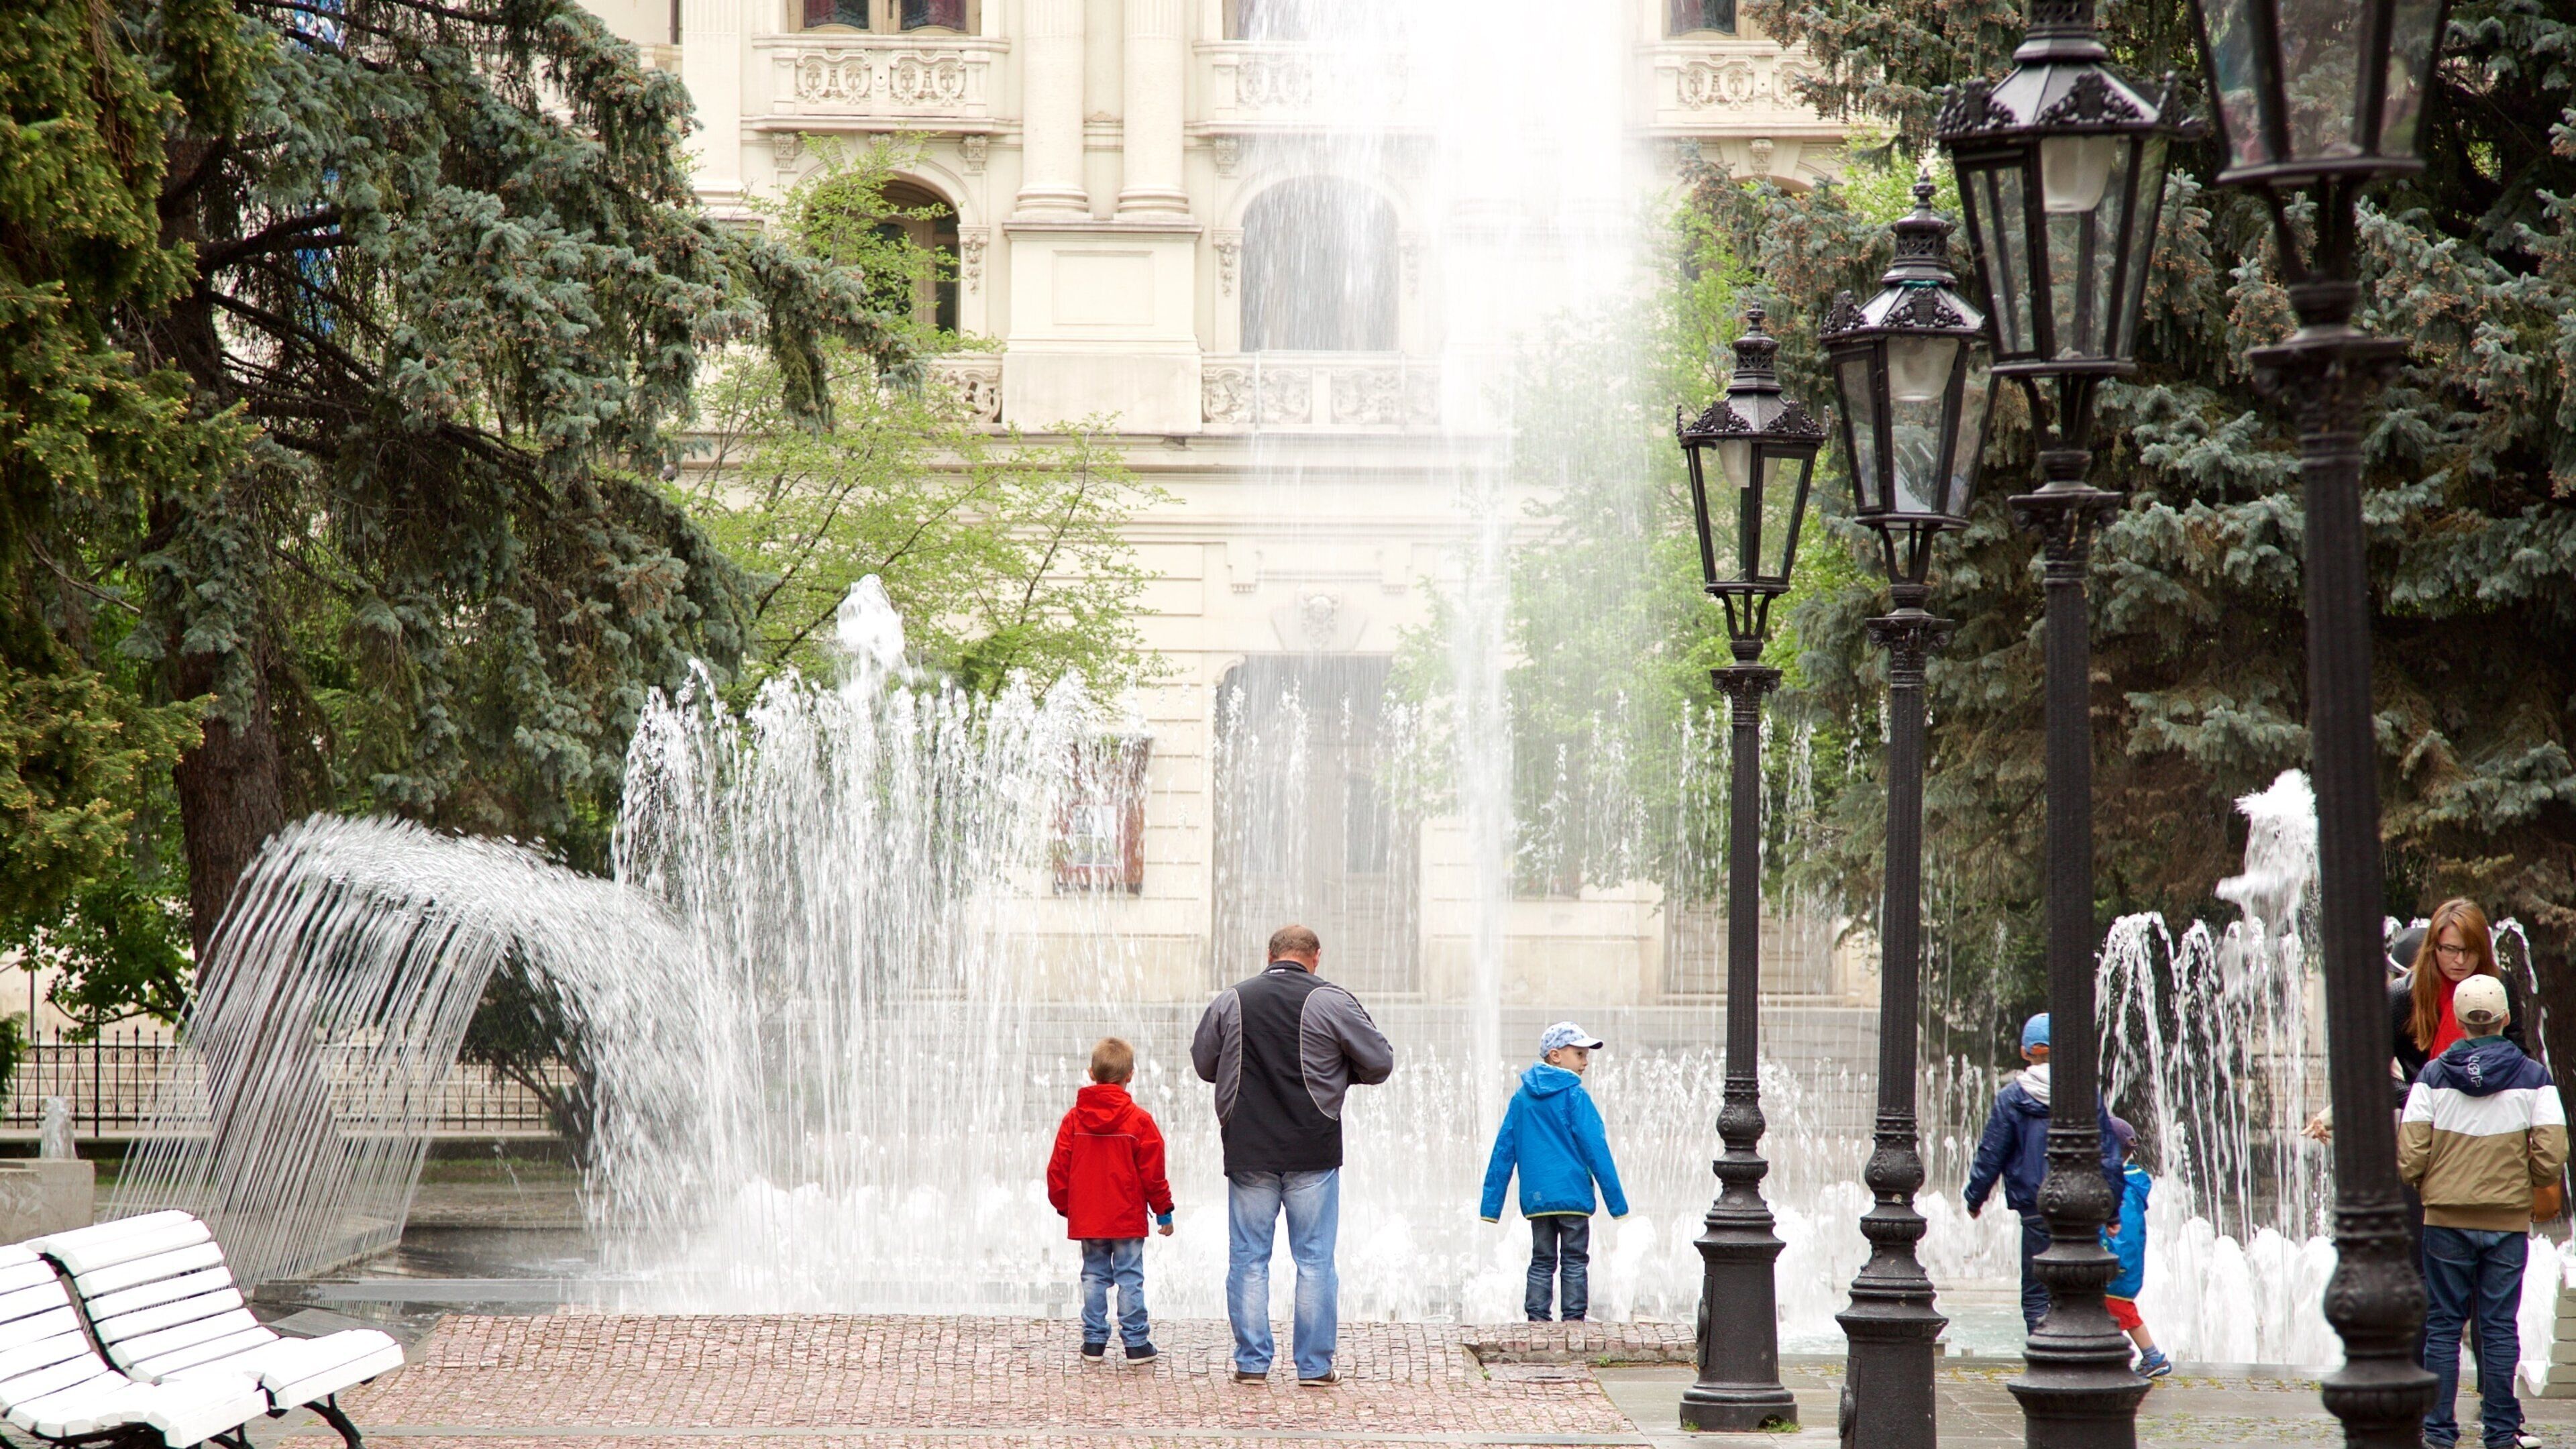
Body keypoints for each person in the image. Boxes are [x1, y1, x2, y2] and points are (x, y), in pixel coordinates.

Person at [1191, 924, 1394, 1386]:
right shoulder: (1332, 1000)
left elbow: (1205, 1064)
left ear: (1269, 955)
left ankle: (1251, 1363)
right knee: (1315, 1260)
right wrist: (1340, 1074)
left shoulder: (1232, 999)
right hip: (1313, 1146)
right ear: (1316, 956)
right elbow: (1380, 1061)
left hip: (1248, 1147)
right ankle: (1314, 1367)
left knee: (1248, 1259)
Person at [2399, 974, 2565, 1449]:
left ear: (2457, 1020)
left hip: (2445, 1218)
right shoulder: (2534, 1077)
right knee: (2497, 1325)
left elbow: (2410, 1155)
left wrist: (2432, 1186)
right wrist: (2524, 1181)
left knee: (2443, 1325)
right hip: (2506, 1219)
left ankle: (2437, 1431)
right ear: (2505, 1018)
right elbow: (2553, 1154)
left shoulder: (2431, 1077)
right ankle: (2499, 1432)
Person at [1963, 1012, 2127, 1334]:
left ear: (2026, 1053)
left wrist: (1975, 1197)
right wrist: (2111, 1210)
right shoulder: (2082, 1094)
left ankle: (2045, 1357)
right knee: (2080, 1291)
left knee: (2038, 1293)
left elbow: (1991, 1153)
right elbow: (2108, 1154)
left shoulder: (2012, 1098)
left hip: (2036, 1208)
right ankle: (2083, 1358)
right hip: (2082, 1207)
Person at [1478, 1022, 1630, 1322]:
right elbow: (1596, 1149)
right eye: (1580, 1054)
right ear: (1556, 1055)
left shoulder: (1522, 1098)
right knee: (1574, 1259)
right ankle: (1573, 1320)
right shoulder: (1575, 1096)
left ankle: (1537, 1318)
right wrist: (1617, 1204)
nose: (1585, 1062)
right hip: (1572, 1194)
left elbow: (1503, 1151)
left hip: (1537, 1197)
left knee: (1541, 1259)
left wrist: (1490, 1207)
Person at [1046, 1036, 1175, 1364]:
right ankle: (1135, 1343)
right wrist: (1163, 1212)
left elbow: (1058, 1169)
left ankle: (1093, 1341)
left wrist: (1067, 1206)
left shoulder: (1073, 1120)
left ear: (1091, 1073)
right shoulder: (1140, 1121)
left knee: (1093, 1275)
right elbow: (1154, 1174)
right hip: (1127, 1217)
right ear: (1130, 1076)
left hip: (1089, 1217)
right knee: (1130, 1276)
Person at [2099, 1116, 2172, 1379]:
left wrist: (2110, 1260)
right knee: (2108, 1312)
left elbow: (2124, 1233)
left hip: (2117, 1266)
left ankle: (2153, 1356)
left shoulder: (2124, 1189)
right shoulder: (2128, 1183)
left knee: (2122, 1312)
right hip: (2119, 1264)